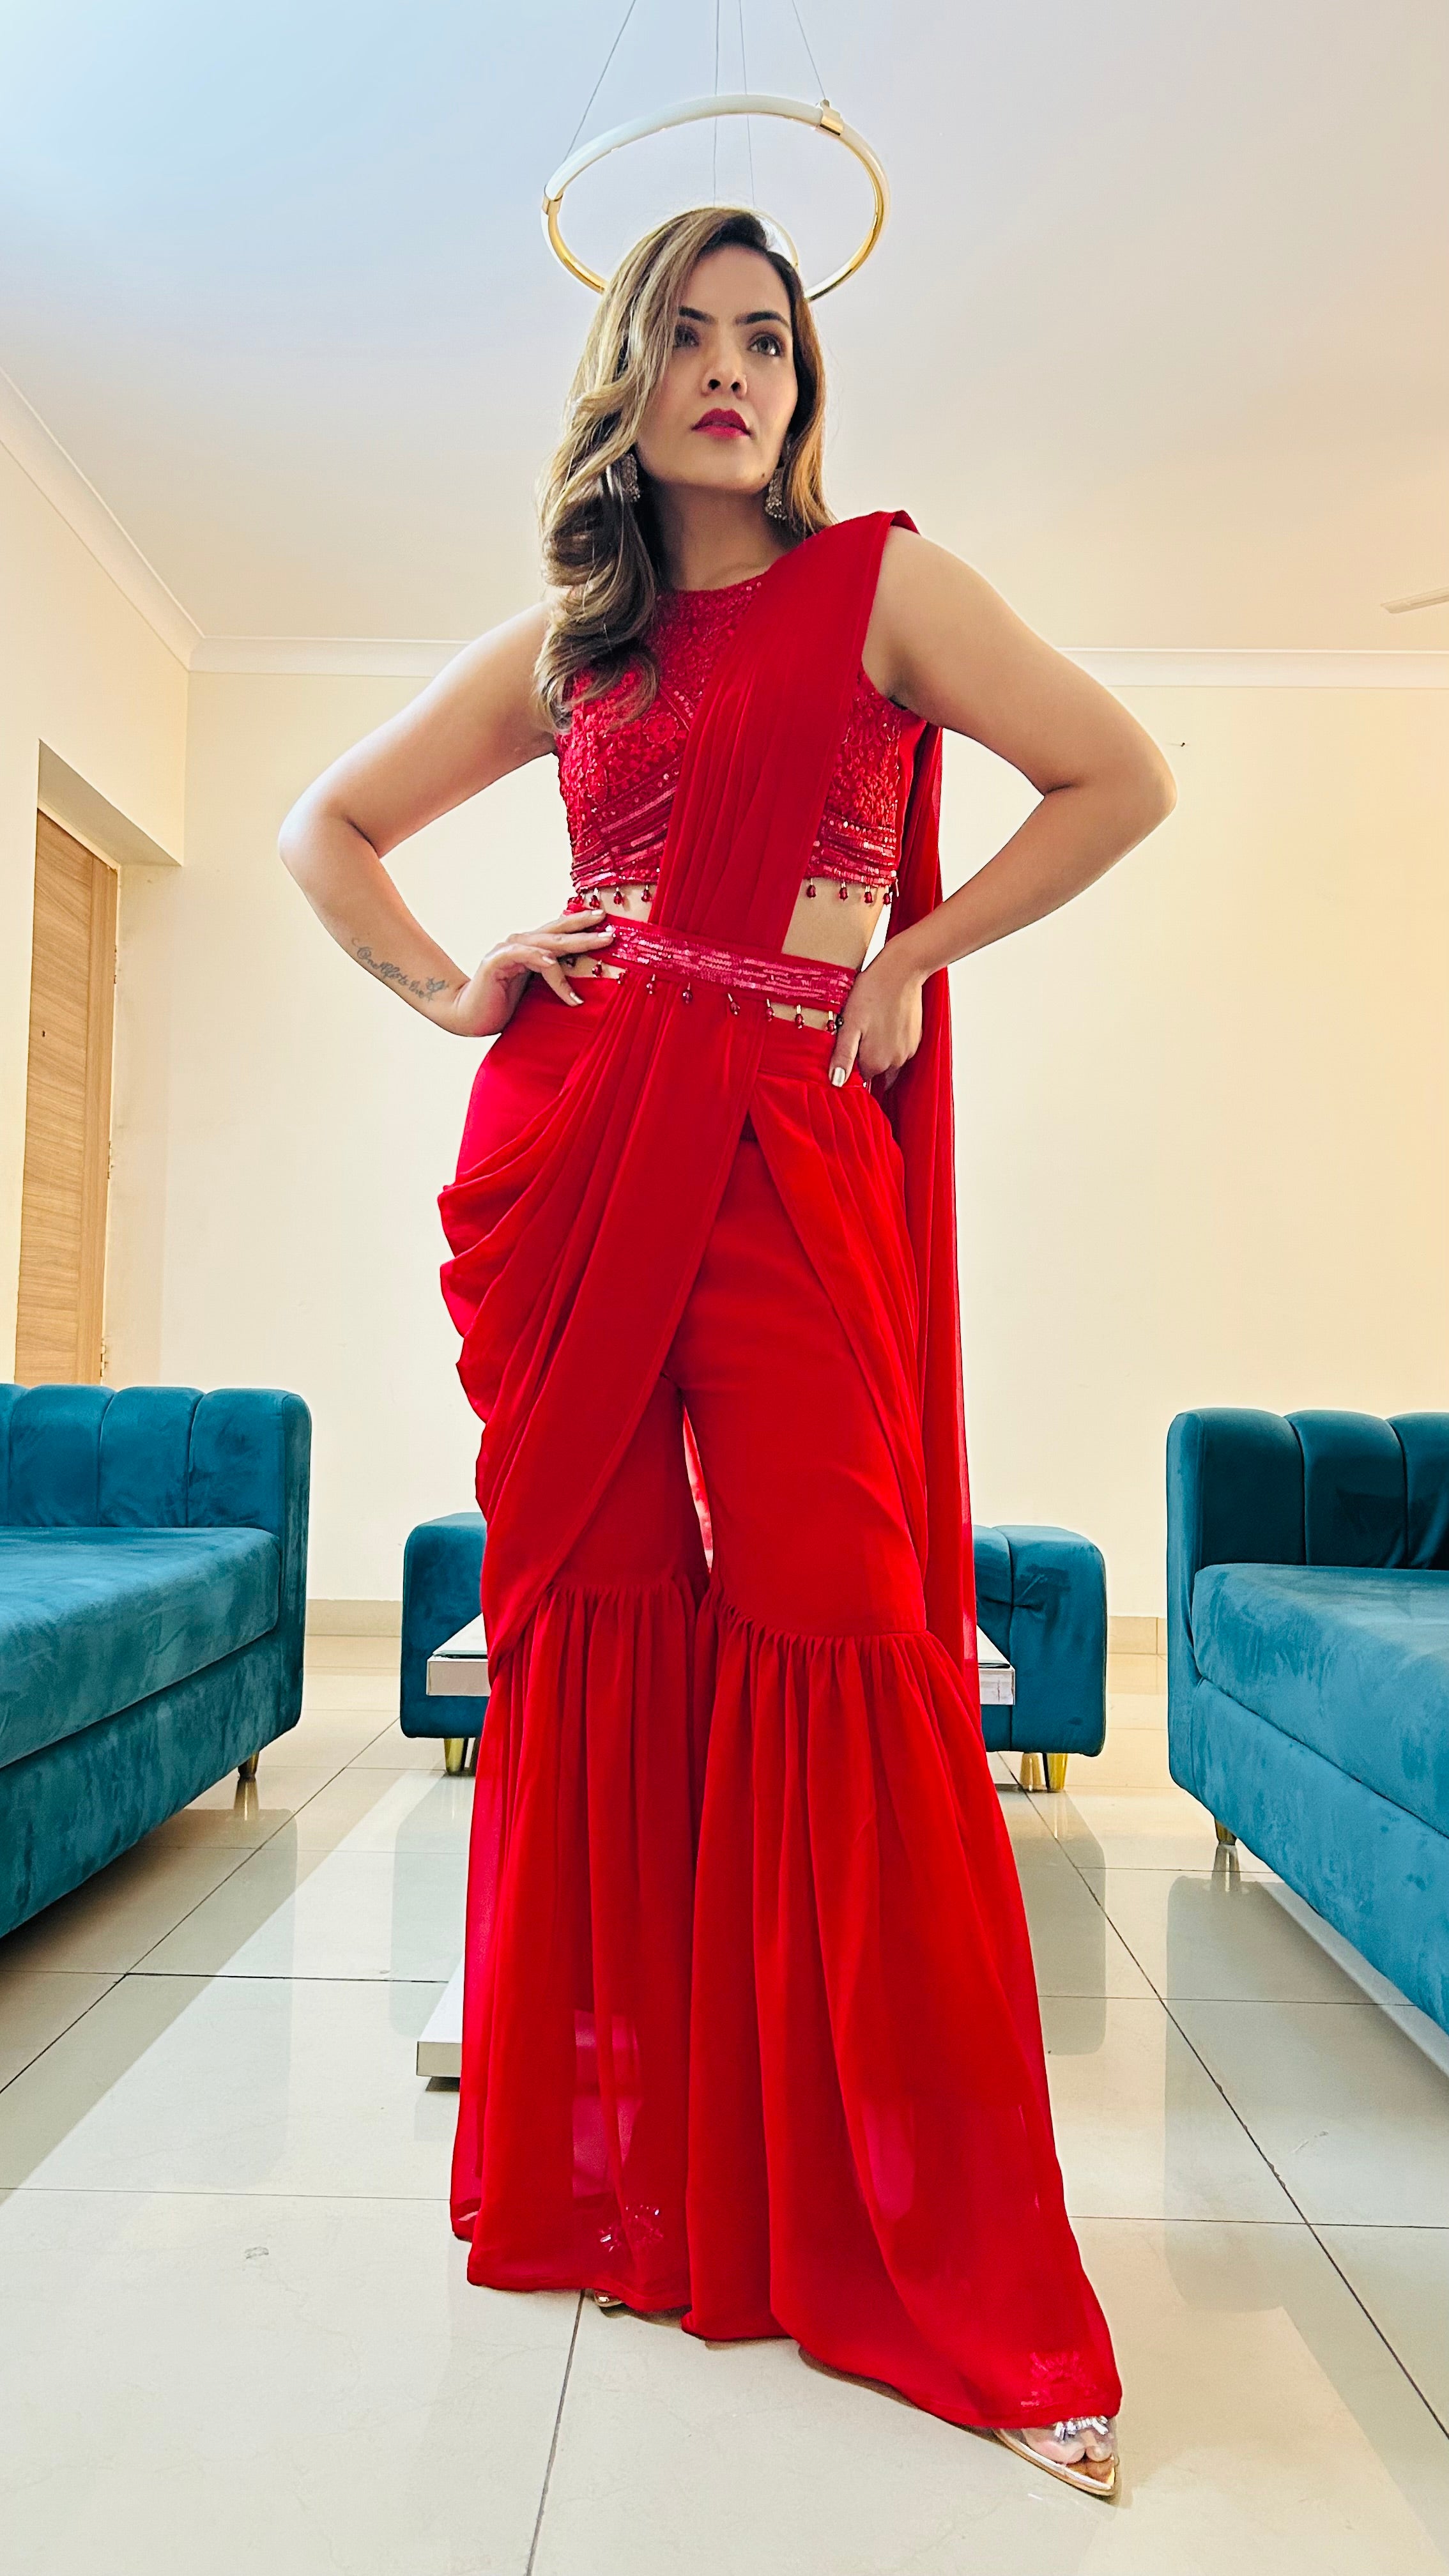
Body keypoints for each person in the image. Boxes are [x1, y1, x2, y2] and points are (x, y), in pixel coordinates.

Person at [280, 204, 1176, 2501]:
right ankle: (632, 2172)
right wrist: (455, 982)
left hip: (785, 1139)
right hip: (581, 1137)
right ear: (626, 369)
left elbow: (1116, 776)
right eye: (683, 332)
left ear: (801, 384)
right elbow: (327, 827)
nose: (726, 370)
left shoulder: (883, 583)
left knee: (844, 1617)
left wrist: (913, 960)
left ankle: (918, 2242)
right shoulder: (573, 643)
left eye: (763, 339)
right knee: (599, 1622)